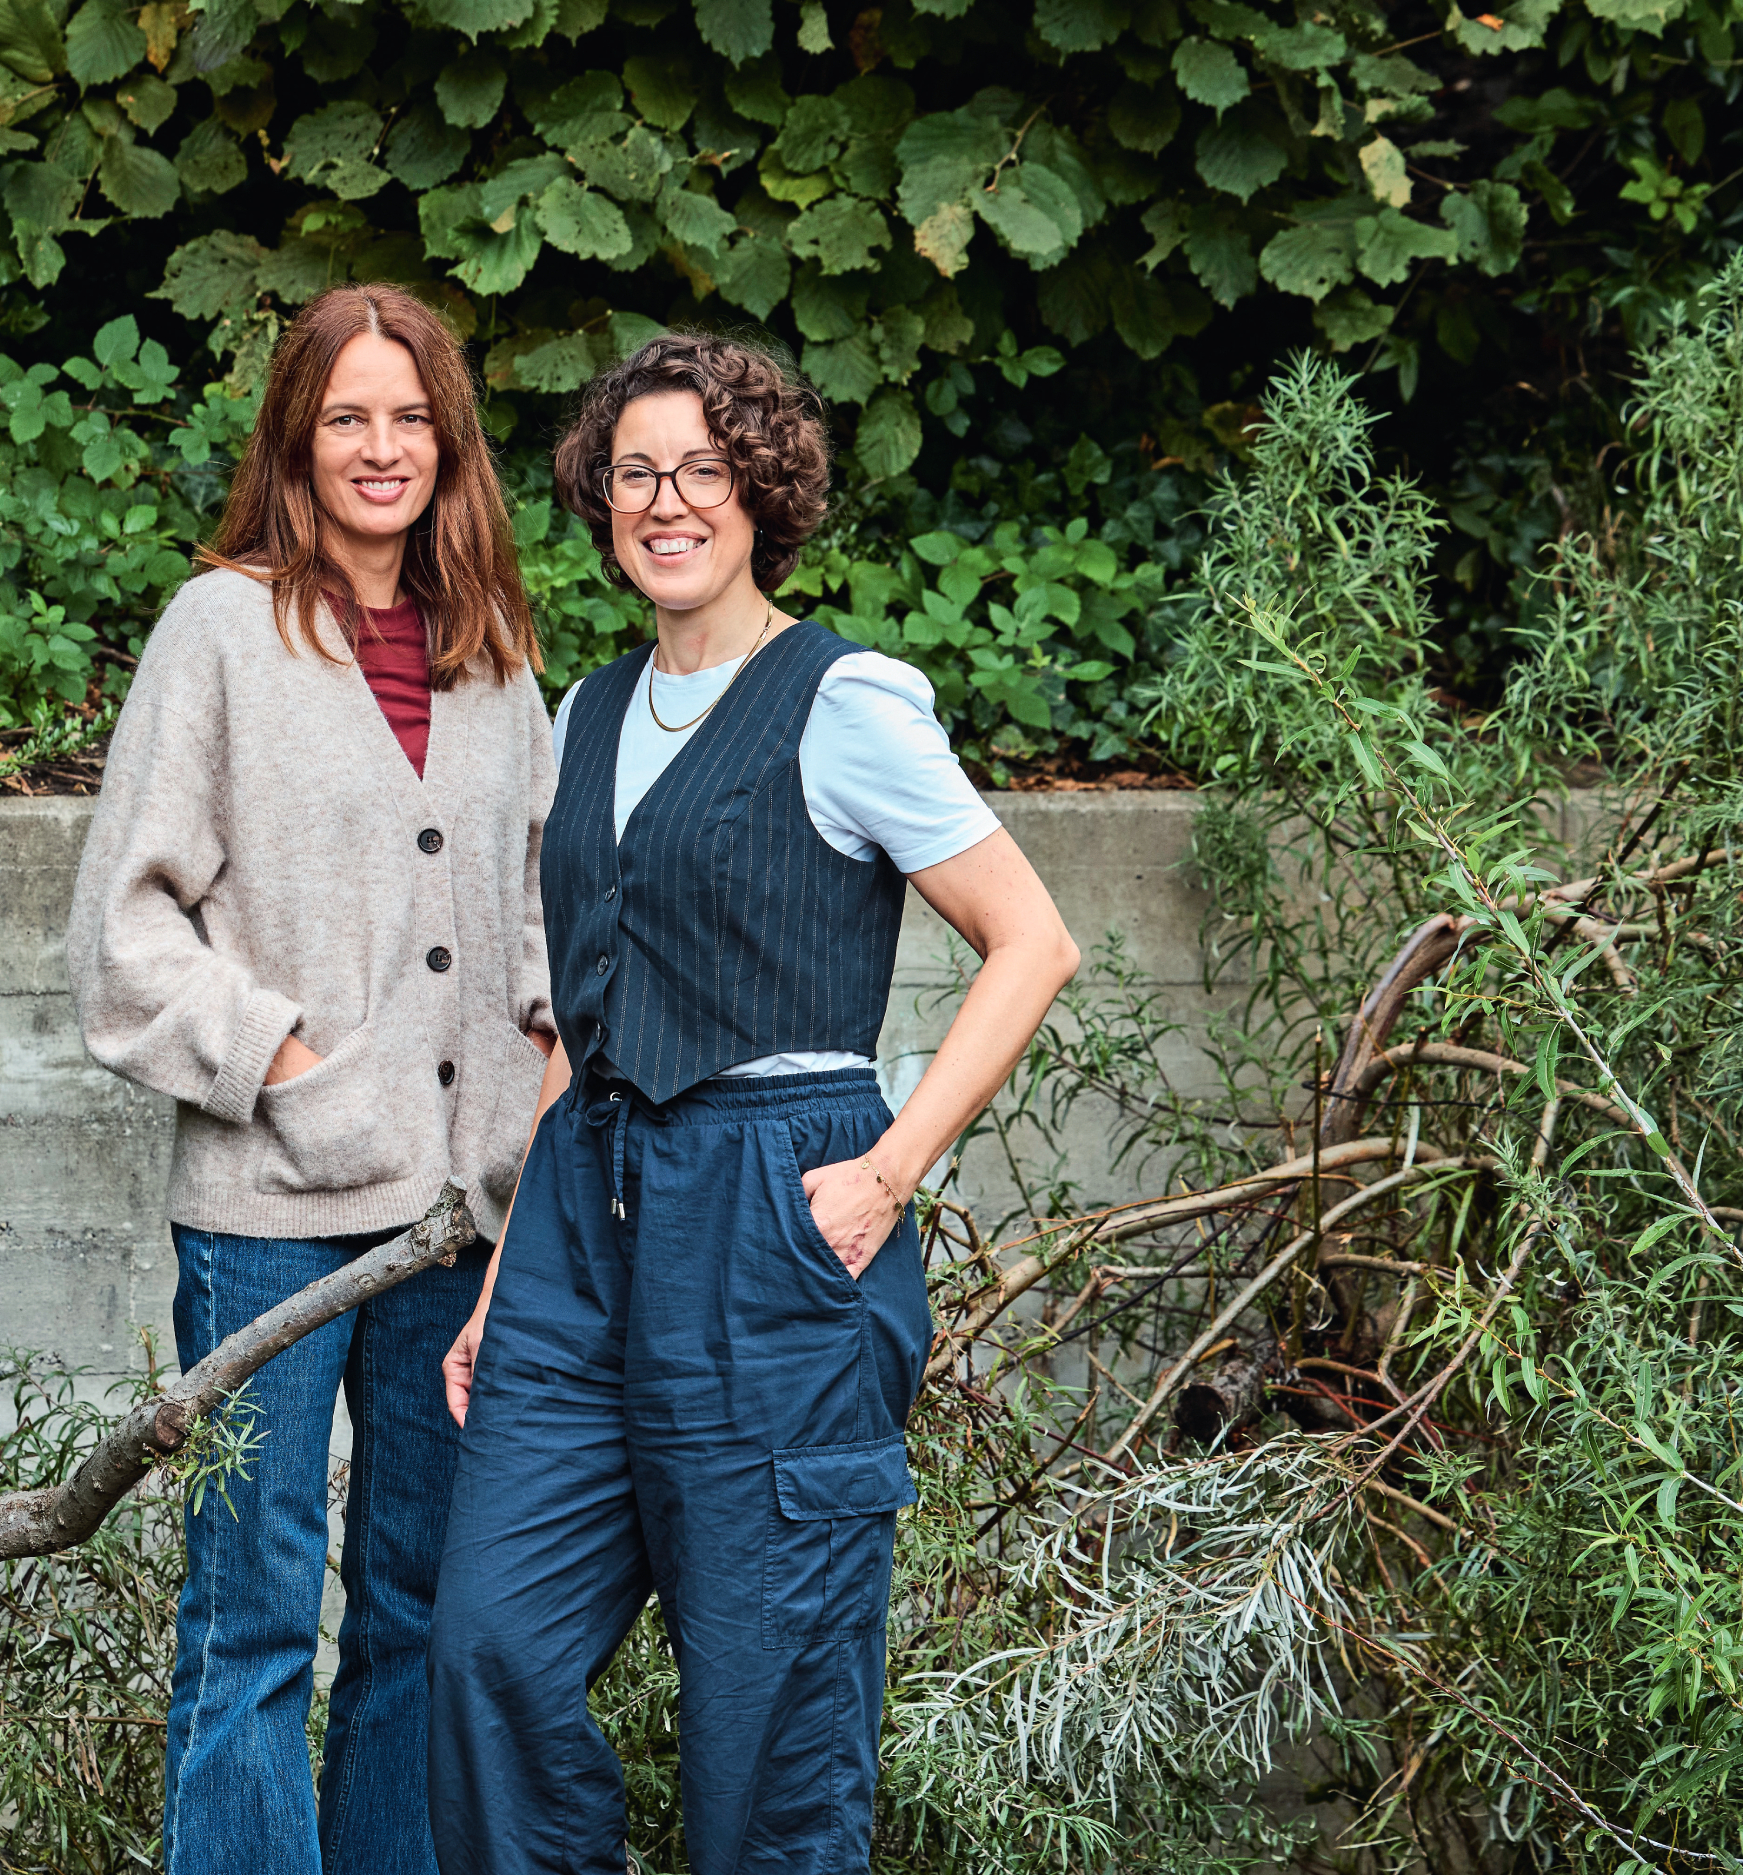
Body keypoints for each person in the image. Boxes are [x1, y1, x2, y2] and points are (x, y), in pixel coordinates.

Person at [427, 333, 1080, 1873]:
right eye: (637, 472)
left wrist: (887, 1171)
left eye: (702, 472)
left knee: (763, 1734)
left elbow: (1031, 941)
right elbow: (578, 1038)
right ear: (602, 495)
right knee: (486, 1653)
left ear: (761, 490)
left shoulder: (847, 701)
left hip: (773, 1225)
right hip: (586, 1229)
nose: (667, 502)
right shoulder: (586, 711)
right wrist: (504, 1291)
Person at [69, 283, 556, 1875]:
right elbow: (122, 931)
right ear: (296, 436)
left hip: (462, 1225)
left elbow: (549, 910)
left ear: (450, 444)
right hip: (268, 1214)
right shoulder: (219, 630)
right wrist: (286, 1064)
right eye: (348, 414)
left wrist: (532, 1094)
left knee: (423, 1613)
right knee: (254, 1613)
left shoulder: (496, 658)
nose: (381, 447)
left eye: (411, 417)